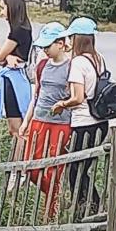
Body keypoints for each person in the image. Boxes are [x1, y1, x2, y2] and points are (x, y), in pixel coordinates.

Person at [51, 17, 109, 220]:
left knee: (75, 169)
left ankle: (90, 207)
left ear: (77, 38)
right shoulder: (98, 58)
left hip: (84, 123)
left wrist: (61, 104)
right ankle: (90, 206)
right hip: (101, 122)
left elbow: (78, 97)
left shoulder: (78, 63)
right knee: (83, 168)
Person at [18, 22, 72, 220]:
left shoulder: (71, 66)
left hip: (59, 124)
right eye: (43, 47)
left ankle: (51, 211)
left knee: (53, 169)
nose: (45, 51)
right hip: (39, 120)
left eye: (48, 46)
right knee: (31, 167)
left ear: (60, 43)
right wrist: (26, 121)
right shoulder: (42, 66)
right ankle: (54, 197)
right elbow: (36, 95)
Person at [0, 0, 33, 191]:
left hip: (15, 81)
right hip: (12, 79)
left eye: (3, 7)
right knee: (15, 128)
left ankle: (18, 169)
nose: (1, 11)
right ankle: (18, 167)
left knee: (17, 129)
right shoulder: (21, 28)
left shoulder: (18, 31)